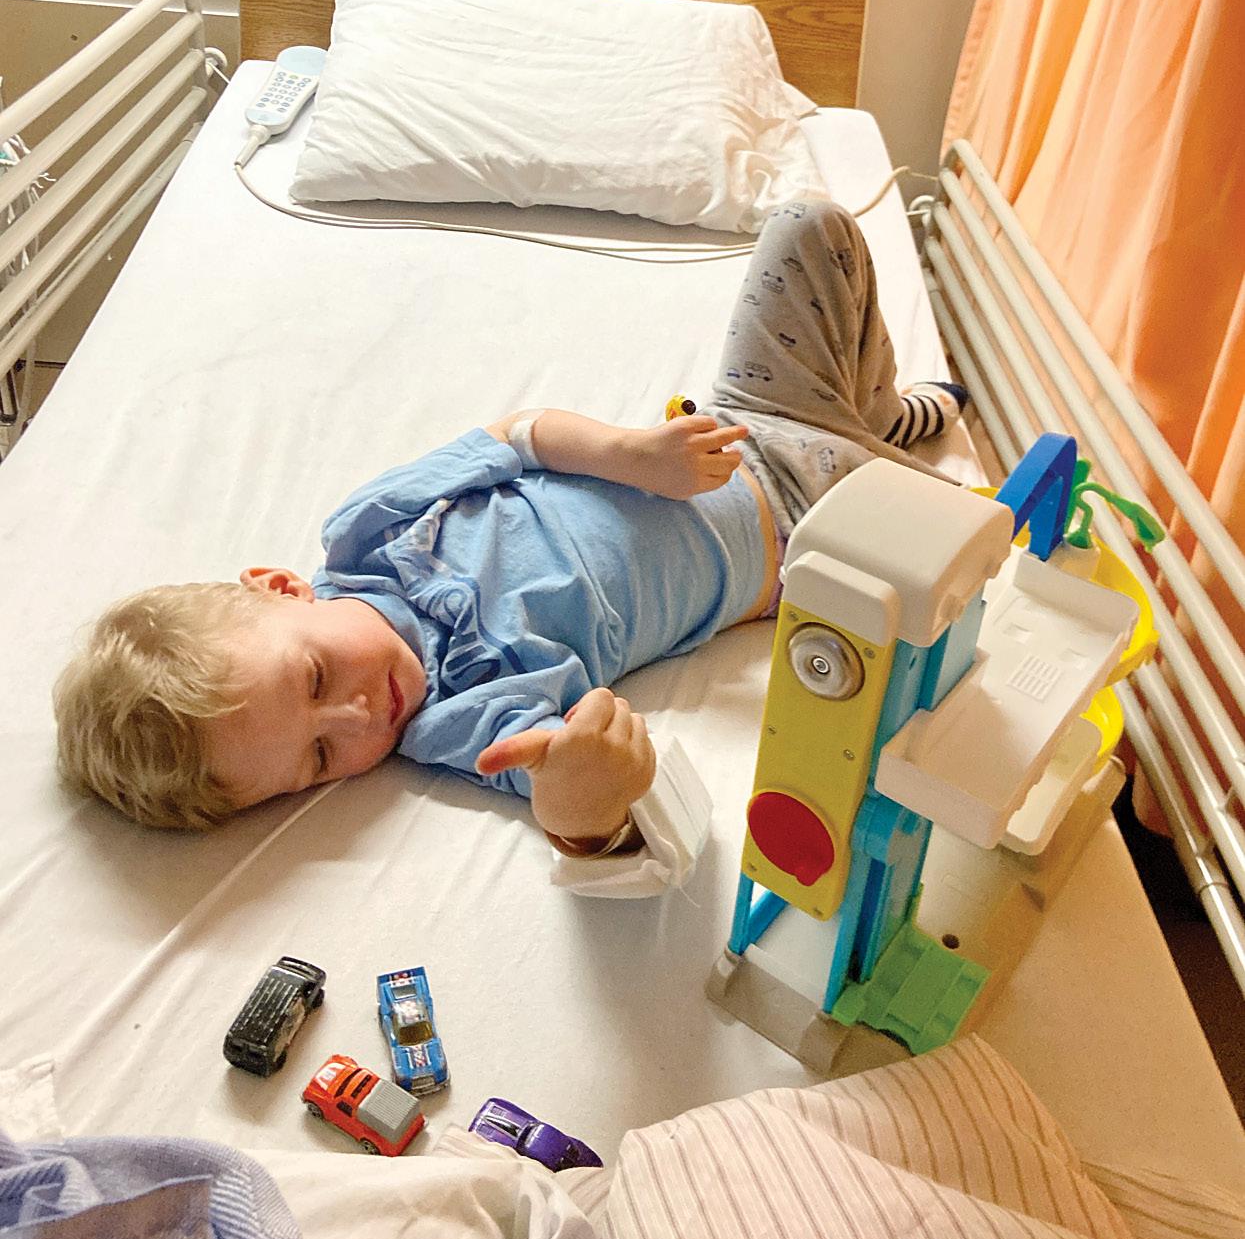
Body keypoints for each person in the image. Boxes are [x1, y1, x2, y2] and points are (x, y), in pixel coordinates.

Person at [54, 200, 965, 847]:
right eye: (322, 755)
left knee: (810, 225)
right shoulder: (455, 716)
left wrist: (630, 454)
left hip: (743, 422)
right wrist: (580, 799)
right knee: (976, 546)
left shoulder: (368, 529)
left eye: (316, 676)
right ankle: (875, 434)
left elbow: (513, 437)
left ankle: (875, 414)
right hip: (812, 534)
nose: (358, 714)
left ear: (283, 588)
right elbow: (550, 781)